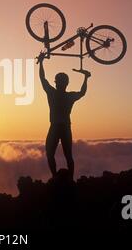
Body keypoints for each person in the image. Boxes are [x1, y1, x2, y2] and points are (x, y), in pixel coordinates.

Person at [37, 52, 91, 180]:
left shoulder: (52, 93)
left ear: (56, 83)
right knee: (68, 155)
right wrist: (86, 77)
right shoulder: (69, 96)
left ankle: (55, 177)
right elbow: (82, 92)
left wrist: (42, 62)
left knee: (50, 154)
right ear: (66, 83)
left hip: (55, 127)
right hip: (66, 128)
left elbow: (42, 78)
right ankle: (70, 179)